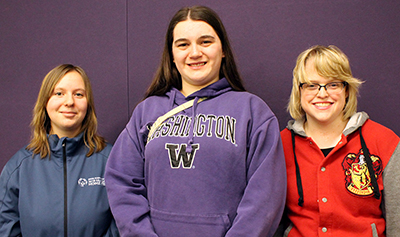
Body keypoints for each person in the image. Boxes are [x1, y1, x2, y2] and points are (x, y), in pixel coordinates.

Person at [105, 5, 286, 237]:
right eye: (183, 44)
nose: (194, 52)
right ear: (172, 55)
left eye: (205, 42)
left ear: (223, 50)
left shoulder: (253, 111)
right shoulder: (147, 112)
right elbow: (122, 182)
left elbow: (265, 197)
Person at [279, 45, 400, 236]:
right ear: (299, 91)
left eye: (333, 84)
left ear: (346, 90)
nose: (322, 93)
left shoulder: (384, 142)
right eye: (311, 85)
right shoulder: (280, 145)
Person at [0, 64, 119, 236]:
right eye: (59, 93)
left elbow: (123, 221)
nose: (69, 102)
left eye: (78, 94)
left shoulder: (111, 161)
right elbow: (5, 227)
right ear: (45, 102)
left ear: (88, 104)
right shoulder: (18, 168)